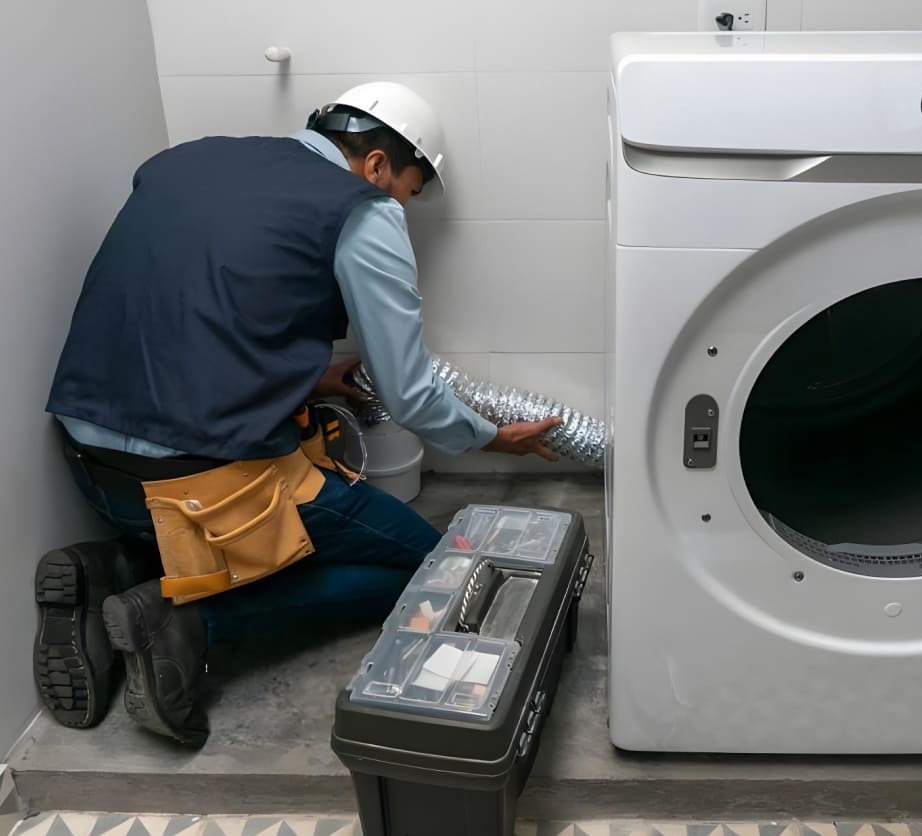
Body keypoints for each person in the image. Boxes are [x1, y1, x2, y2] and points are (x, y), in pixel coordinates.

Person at [36, 82, 560, 747]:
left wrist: (309, 375)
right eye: (405, 190)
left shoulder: (189, 159)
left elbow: (183, 308)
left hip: (94, 469)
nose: (398, 205)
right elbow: (411, 395)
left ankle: (107, 570)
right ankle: (186, 624)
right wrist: (494, 439)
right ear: (375, 166)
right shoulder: (363, 211)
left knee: (246, 506)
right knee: (427, 566)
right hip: (200, 489)